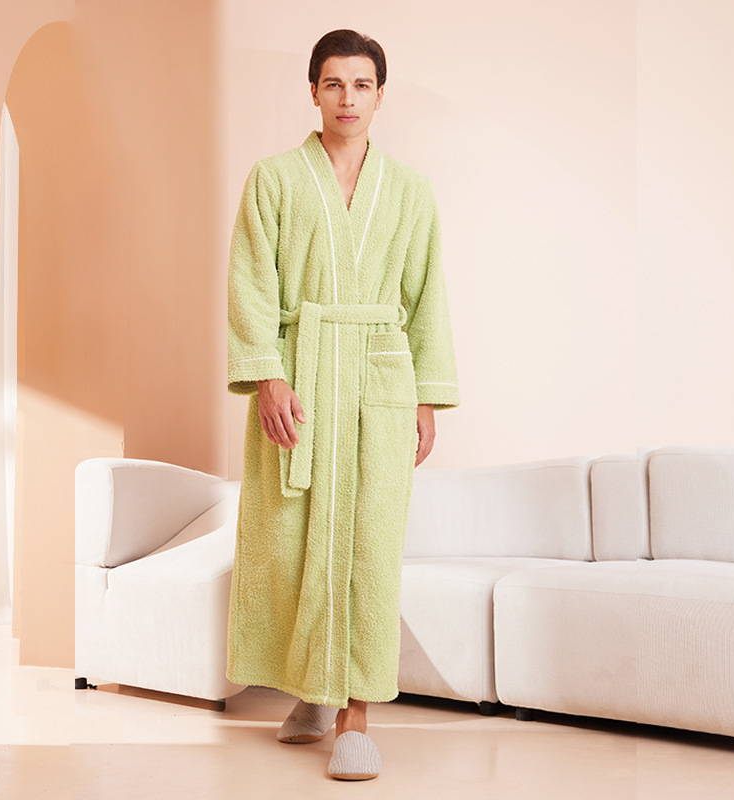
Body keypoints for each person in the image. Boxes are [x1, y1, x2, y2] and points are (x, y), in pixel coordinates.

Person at [225, 29, 459, 781]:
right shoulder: (273, 179)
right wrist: (267, 375)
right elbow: (251, 282)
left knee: (368, 546)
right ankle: (312, 691)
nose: (347, 98)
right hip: (300, 375)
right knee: (291, 540)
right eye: (334, 83)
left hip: (379, 383)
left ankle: (356, 715)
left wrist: (426, 395)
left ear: (380, 95)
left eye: (361, 85)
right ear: (314, 91)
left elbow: (426, 296)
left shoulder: (411, 190)